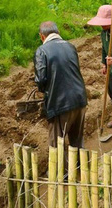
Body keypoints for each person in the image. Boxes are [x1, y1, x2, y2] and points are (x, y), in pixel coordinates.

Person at [34, 21, 87, 153]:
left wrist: (43, 91)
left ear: (42, 36)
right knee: (77, 141)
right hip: (80, 98)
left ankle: (62, 173)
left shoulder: (42, 51)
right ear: (58, 33)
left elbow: (41, 79)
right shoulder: (70, 46)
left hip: (60, 104)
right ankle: (81, 170)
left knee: (57, 144)